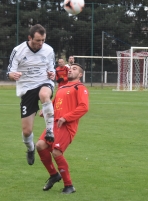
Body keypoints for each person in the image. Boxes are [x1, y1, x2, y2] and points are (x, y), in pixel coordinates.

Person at [6, 24, 56, 166]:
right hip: (26, 88)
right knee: (27, 131)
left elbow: (52, 71)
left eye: (43, 40)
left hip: (43, 83)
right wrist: (13, 75)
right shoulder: (18, 51)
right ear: (30, 38)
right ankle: (30, 148)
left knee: (44, 94)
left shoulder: (48, 50)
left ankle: (50, 131)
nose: (41, 44)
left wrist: (52, 74)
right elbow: (9, 72)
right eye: (38, 40)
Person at [36, 63, 89, 194]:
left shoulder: (80, 87)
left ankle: (69, 186)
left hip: (66, 125)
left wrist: (66, 117)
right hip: (53, 124)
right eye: (70, 68)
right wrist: (45, 110)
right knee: (40, 146)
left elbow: (84, 107)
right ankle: (54, 175)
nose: (71, 70)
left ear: (80, 75)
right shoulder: (62, 87)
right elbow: (54, 103)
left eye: (75, 69)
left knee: (56, 152)